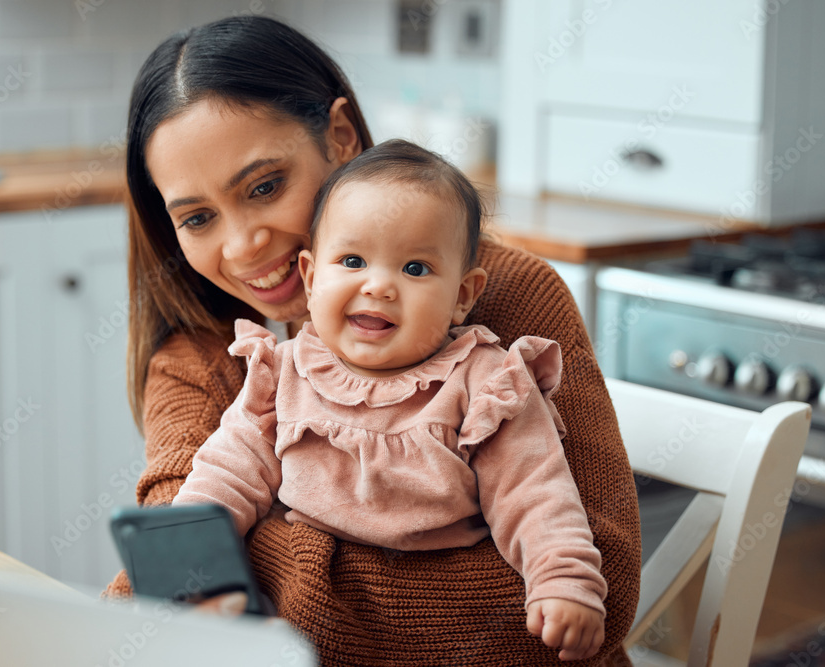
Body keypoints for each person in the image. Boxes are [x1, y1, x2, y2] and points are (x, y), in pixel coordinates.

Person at [104, 15, 641, 666]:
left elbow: (594, 590)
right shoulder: (202, 355)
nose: (244, 244)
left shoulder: (502, 311)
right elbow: (176, 563)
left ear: (339, 137)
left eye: (266, 186)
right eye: (197, 216)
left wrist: (269, 572)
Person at [172, 139, 608, 661]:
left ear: (463, 296)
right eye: (352, 260)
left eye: (416, 269)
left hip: (447, 627)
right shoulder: (282, 372)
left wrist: (561, 580)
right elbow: (230, 468)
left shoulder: (485, 384)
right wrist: (185, 545)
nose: (378, 285)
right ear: (312, 278)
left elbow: (535, 492)